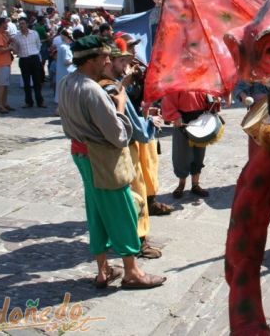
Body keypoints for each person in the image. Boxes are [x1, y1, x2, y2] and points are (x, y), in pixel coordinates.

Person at [57, 35, 166, 290]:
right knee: (122, 212)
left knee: (96, 212)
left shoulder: (65, 82)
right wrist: (119, 104)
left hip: (82, 155)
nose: (108, 60)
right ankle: (132, 272)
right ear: (91, 60)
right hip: (103, 158)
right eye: (104, 57)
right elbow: (117, 135)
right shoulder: (92, 90)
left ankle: (103, 270)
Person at [100, 45, 169, 258]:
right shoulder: (113, 88)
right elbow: (136, 129)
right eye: (123, 61)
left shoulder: (102, 85)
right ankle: (138, 240)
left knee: (126, 195)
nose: (127, 65)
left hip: (108, 149)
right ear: (111, 61)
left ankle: (127, 237)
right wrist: (152, 122)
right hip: (125, 148)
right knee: (136, 194)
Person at [162, 91, 217, 198]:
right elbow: (168, 99)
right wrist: (175, 116)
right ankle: (181, 184)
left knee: (199, 154)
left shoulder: (203, 79)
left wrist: (214, 102)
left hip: (201, 119)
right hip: (182, 119)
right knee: (181, 155)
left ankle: (195, 185)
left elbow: (209, 98)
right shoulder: (177, 81)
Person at [13, 18, 45, 108]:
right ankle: (28, 102)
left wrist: (34, 53)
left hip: (34, 58)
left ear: (27, 24)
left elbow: (39, 45)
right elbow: (16, 50)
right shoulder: (17, 36)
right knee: (26, 83)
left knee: (37, 82)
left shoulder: (34, 33)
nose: (21, 26)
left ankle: (40, 101)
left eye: (23, 23)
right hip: (24, 60)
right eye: (20, 24)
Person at [0, 18, 14, 113]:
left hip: (6, 62)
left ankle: (4, 103)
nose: (7, 25)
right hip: (2, 63)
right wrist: (10, 48)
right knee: (2, 85)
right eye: (6, 23)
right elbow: (0, 50)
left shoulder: (3, 34)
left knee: (5, 84)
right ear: (2, 24)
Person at [54, 28, 75, 105]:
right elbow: (66, 62)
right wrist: (76, 59)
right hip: (66, 73)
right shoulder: (65, 47)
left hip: (64, 73)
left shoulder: (63, 46)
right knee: (65, 93)